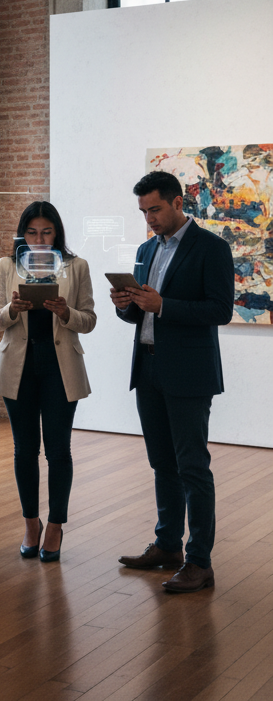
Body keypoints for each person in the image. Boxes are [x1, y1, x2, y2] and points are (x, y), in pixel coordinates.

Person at [110, 171, 234, 593]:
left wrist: (164, 305)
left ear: (179, 203)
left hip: (189, 373)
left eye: (155, 209)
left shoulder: (212, 248)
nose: (149, 219)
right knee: (162, 463)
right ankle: (168, 546)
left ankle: (200, 561)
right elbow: (139, 315)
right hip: (147, 368)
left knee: (192, 467)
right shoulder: (146, 249)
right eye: (144, 211)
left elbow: (220, 310)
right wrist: (125, 305)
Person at [0, 201, 96, 563]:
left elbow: (89, 319)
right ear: (23, 234)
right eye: (32, 232)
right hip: (18, 368)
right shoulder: (7, 265)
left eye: (46, 232)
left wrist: (66, 312)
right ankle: (31, 523)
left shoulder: (76, 266)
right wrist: (12, 310)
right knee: (24, 450)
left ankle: (55, 526)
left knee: (58, 451)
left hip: (60, 369)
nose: (39, 239)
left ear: (57, 232)